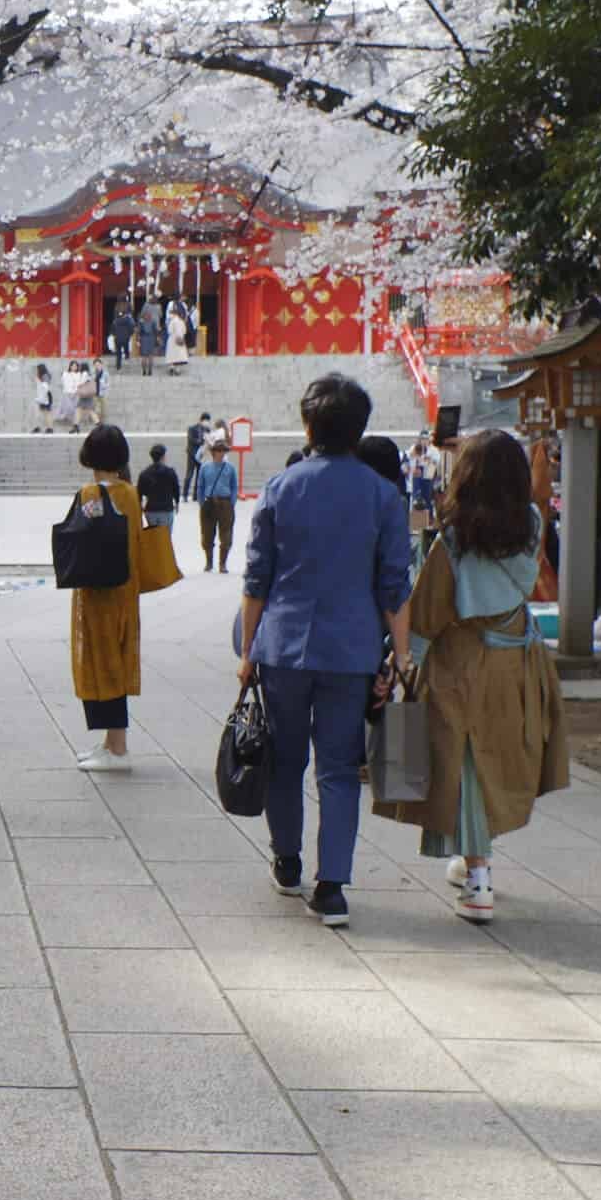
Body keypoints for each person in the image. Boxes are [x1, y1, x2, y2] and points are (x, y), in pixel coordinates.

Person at [238, 375, 413, 927]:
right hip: (351, 649)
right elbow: (394, 585)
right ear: (360, 429)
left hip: (283, 646)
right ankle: (332, 886)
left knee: (285, 760)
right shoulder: (383, 497)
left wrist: (247, 652)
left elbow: (257, 579)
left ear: (308, 425)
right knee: (338, 768)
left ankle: (287, 862)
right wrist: (401, 656)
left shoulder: (280, 488)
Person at [378, 431, 569, 923]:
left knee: (465, 765)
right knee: (498, 761)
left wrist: (400, 665)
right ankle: (470, 858)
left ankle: (479, 879)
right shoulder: (531, 524)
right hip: (518, 662)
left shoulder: (454, 540)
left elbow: (427, 614)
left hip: (461, 665)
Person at [68, 426, 144, 773]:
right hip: (125, 593)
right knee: (118, 662)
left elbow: (84, 540)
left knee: (103, 665)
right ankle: (112, 742)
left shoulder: (90, 494)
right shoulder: (131, 493)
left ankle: (118, 749)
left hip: (98, 595)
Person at [195, 435, 240, 572]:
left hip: (225, 502)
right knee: (207, 534)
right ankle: (209, 562)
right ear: (213, 452)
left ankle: (222, 563)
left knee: (226, 535)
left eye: (223, 451)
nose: (221, 453)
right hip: (209, 502)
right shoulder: (205, 467)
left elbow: (234, 486)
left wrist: (232, 502)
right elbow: (200, 486)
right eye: (219, 450)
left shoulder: (230, 468)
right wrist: (201, 502)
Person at [136, 444, 181, 528]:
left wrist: (140, 507)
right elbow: (176, 489)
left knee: (153, 534)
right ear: (163, 456)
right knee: (165, 534)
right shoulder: (170, 472)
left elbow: (139, 492)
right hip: (166, 509)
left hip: (151, 509)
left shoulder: (144, 473)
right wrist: (177, 502)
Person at [184, 411, 213, 501]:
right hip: (192, 454)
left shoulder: (207, 430)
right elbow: (191, 439)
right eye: (206, 420)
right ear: (201, 420)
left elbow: (208, 441)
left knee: (199, 476)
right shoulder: (192, 428)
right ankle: (185, 495)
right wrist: (201, 441)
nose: (207, 423)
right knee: (189, 474)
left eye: (208, 421)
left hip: (201, 455)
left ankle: (195, 495)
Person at [62, 362, 91, 433]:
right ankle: (76, 426)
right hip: (73, 394)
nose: (75, 367)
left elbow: (80, 383)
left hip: (80, 394)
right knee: (76, 410)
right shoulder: (66, 374)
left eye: (76, 366)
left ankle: (76, 426)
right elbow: (64, 383)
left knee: (80, 411)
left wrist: (76, 389)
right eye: (73, 366)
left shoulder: (82, 374)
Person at [111, 302, 136, 372]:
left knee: (118, 353)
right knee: (126, 348)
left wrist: (114, 334)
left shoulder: (115, 321)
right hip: (125, 338)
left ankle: (118, 366)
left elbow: (112, 329)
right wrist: (130, 334)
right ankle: (127, 356)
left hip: (117, 339)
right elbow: (131, 328)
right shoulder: (128, 321)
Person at [33, 364, 56, 432]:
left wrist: (42, 398)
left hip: (45, 396)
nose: (36, 371)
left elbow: (45, 387)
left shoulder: (45, 376)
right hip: (42, 396)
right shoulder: (40, 376)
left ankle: (50, 428)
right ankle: (39, 427)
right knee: (41, 412)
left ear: (40, 369)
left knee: (47, 412)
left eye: (37, 369)